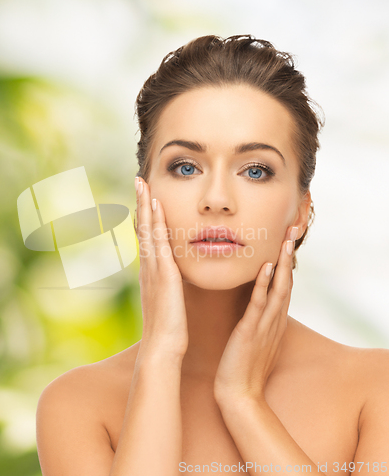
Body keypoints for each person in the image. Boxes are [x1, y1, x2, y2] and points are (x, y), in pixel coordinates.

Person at [36, 34, 389, 476]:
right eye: (186, 167)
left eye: (255, 170)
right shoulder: (77, 404)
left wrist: (243, 401)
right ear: (144, 194)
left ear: (301, 211)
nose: (217, 199)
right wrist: (161, 355)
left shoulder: (377, 388)